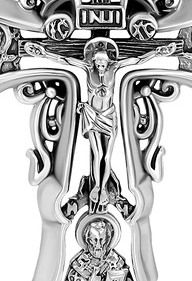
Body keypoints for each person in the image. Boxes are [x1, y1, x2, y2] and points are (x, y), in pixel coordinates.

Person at [24, 37, 175, 211]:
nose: (100, 66)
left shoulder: (114, 68)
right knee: (98, 154)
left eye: (103, 63)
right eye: (98, 63)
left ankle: (103, 188)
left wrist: (157, 52)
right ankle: (97, 187)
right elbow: (64, 59)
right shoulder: (88, 69)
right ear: (94, 61)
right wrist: (43, 53)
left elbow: (137, 59)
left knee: (107, 156)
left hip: (109, 116)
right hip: (92, 116)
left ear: (108, 61)